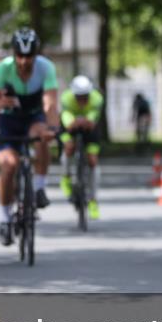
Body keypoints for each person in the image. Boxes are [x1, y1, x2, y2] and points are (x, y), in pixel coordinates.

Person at [0, 28, 60, 246]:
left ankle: (38, 187)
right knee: (9, 165)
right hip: (9, 121)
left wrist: (52, 128)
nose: (24, 61)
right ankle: (4, 218)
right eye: (20, 55)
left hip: (33, 118)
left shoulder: (45, 68)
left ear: (36, 54)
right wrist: (2, 103)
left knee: (41, 137)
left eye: (29, 56)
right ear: (14, 53)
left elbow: (50, 102)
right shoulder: (4, 69)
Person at [60, 75, 104, 219]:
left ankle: (93, 200)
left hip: (89, 129)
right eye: (78, 97)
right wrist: (70, 123)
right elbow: (65, 116)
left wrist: (89, 120)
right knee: (68, 147)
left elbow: (94, 117)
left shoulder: (97, 99)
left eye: (85, 97)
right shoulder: (66, 98)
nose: (82, 101)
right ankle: (66, 177)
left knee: (92, 160)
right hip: (70, 124)